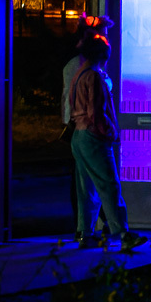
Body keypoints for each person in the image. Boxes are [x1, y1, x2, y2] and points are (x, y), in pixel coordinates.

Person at [69, 34, 146, 251]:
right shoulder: (94, 77)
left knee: (86, 188)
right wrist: (110, 132)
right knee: (109, 186)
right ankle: (122, 234)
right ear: (104, 54)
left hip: (79, 136)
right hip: (93, 138)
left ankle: (86, 234)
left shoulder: (79, 75)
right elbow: (97, 113)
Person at [60, 16, 114, 239]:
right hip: (89, 131)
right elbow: (90, 107)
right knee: (103, 183)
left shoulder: (86, 67)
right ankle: (114, 227)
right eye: (100, 34)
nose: (105, 38)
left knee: (87, 183)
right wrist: (107, 131)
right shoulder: (85, 69)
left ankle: (87, 229)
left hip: (84, 131)